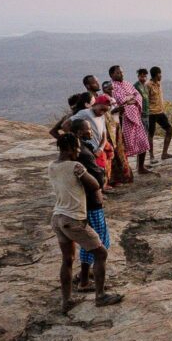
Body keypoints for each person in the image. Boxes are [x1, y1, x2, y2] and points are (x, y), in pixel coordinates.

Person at [48, 133, 122, 313]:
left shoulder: (52, 166)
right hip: (73, 219)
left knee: (67, 259)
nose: (79, 151)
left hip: (58, 217)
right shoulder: (76, 166)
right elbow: (96, 185)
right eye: (77, 147)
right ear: (70, 148)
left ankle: (66, 301)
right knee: (101, 253)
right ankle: (100, 296)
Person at [68, 118, 113, 292]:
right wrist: (101, 173)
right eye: (88, 129)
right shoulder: (84, 154)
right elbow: (97, 180)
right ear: (79, 132)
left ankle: (85, 274)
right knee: (94, 242)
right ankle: (85, 280)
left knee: (95, 240)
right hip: (91, 202)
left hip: (85, 200)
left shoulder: (78, 149)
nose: (91, 132)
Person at [108, 66, 152, 176]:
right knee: (124, 146)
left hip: (136, 116)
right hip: (123, 119)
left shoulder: (127, 83)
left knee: (143, 141)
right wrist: (130, 98)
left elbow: (138, 96)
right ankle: (125, 171)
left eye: (122, 72)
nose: (121, 74)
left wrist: (130, 99)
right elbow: (120, 100)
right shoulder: (112, 86)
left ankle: (141, 167)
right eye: (118, 73)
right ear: (112, 75)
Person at [101, 81, 132, 185]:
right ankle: (114, 179)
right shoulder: (103, 99)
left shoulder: (112, 99)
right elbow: (105, 114)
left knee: (120, 151)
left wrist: (120, 111)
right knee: (113, 152)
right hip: (109, 128)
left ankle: (123, 176)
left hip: (116, 125)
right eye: (109, 88)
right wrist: (116, 110)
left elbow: (116, 114)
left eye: (112, 88)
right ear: (104, 89)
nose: (111, 90)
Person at [147, 66, 172, 162]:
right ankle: (151, 156)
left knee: (170, 130)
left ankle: (164, 153)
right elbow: (145, 100)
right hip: (151, 113)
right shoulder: (148, 85)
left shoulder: (158, 83)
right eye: (160, 74)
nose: (161, 76)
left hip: (160, 112)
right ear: (155, 75)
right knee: (150, 134)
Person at [134, 68, 151, 136]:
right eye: (142, 76)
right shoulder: (136, 86)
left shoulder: (145, 86)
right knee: (141, 133)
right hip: (140, 113)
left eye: (145, 76)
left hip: (146, 112)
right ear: (138, 76)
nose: (143, 78)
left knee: (146, 132)